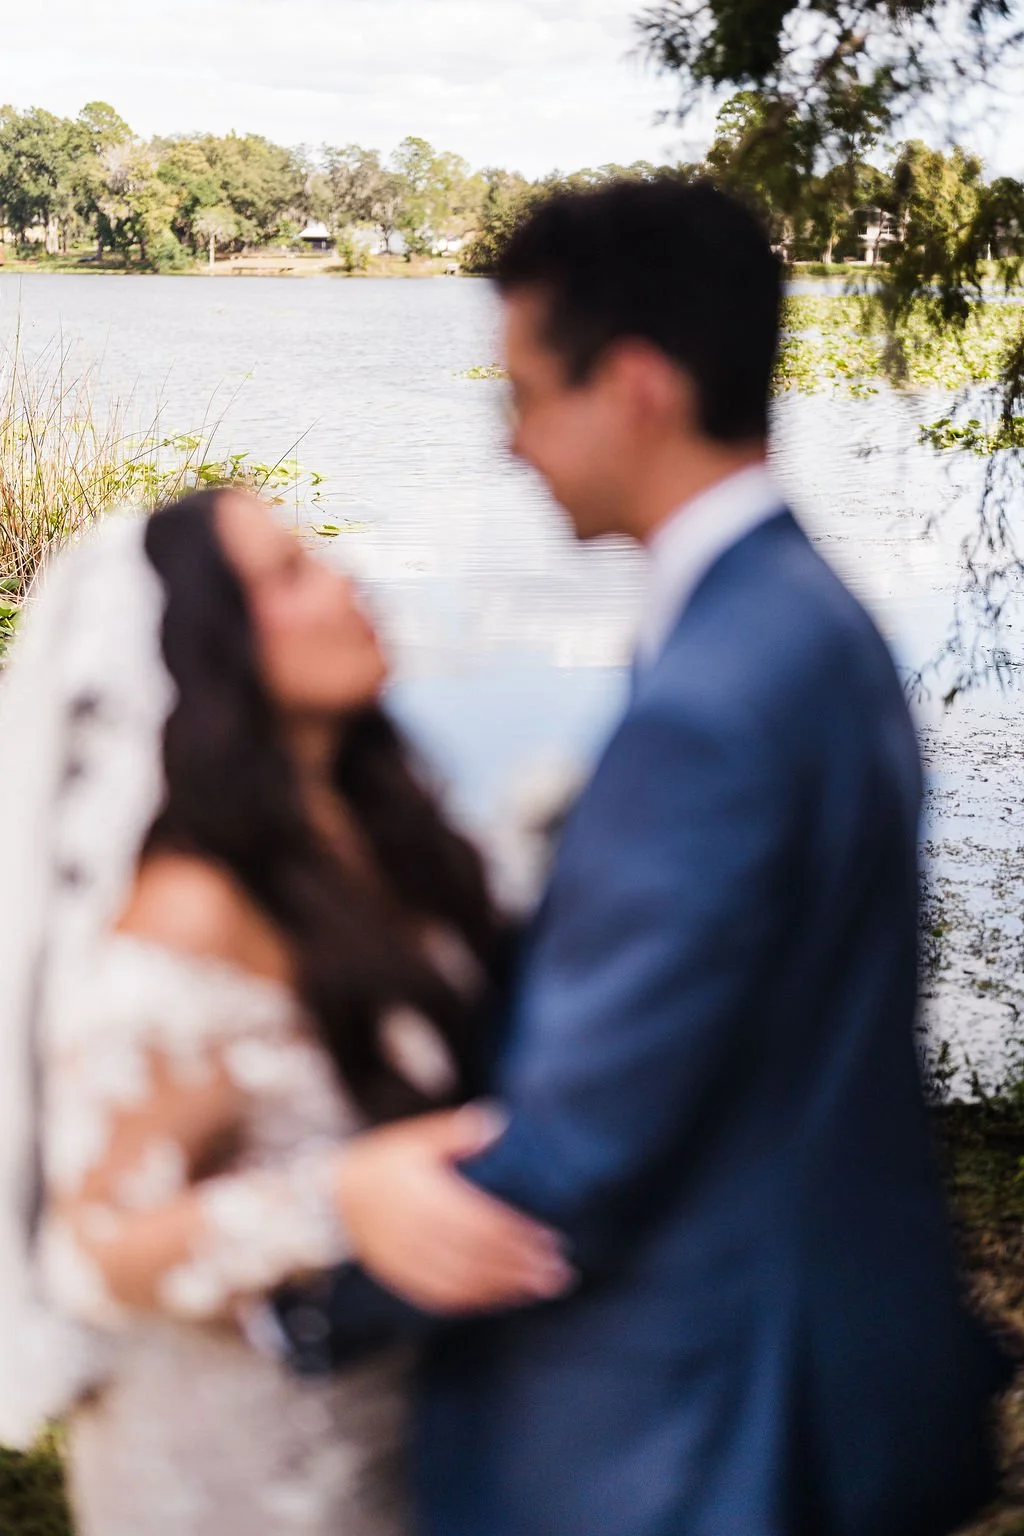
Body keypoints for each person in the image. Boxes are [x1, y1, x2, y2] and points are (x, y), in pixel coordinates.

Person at [305, 180, 1014, 1536]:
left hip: (690, 1425)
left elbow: (587, 1131)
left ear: (633, 386)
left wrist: (305, 1286)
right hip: (799, 1351)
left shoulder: (715, 705)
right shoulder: (804, 623)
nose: (512, 444)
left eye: (523, 392)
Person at [0, 491, 566, 1536]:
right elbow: (91, 1248)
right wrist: (342, 1201)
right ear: (209, 649)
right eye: (290, 575)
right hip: (242, 1465)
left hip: (407, 1416)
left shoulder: (378, 832)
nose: (347, 583)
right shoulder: (182, 918)